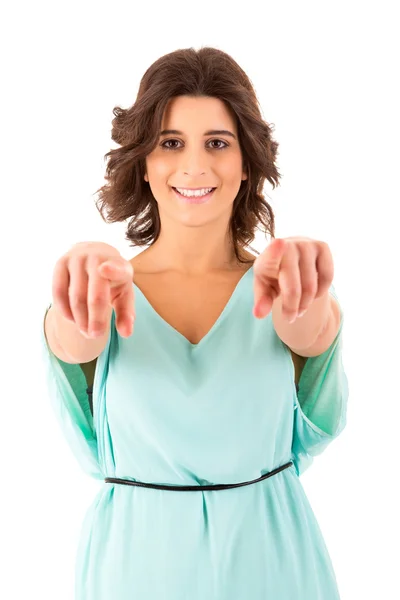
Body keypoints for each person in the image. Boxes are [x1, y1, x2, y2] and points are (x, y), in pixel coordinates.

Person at [41, 46, 349, 600]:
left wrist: (308, 298)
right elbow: (74, 338)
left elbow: (311, 330)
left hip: (272, 573)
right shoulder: (101, 294)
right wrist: (77, 288)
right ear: (144, 161)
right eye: (170, 143)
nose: (195, 166)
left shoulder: (286, 289)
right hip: (135, 575)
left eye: (217, 143)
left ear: (246, 161)